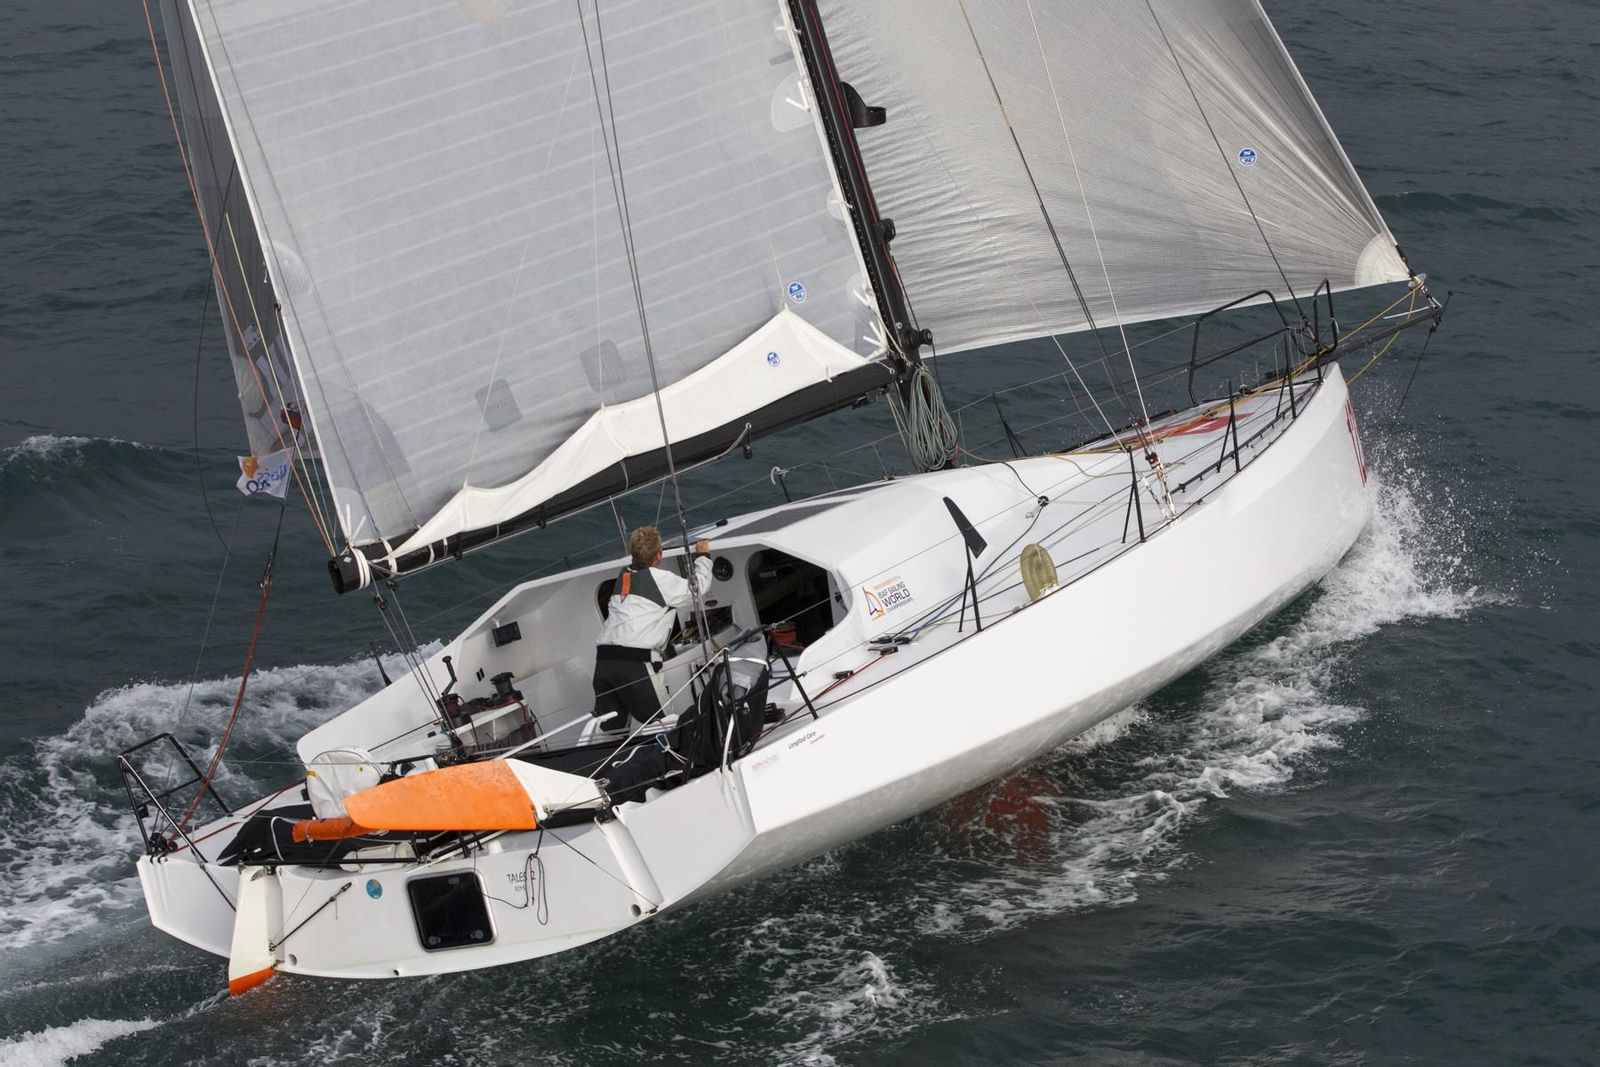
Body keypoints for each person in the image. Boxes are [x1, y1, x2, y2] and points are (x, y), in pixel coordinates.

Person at [592, 526, 713, 731]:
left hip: (604, 663)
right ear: (659, 555)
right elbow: (698, 588)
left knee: (612, 729)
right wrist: (703, 556)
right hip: (633, 664)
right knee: (665, 726)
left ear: (633, 554)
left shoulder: (624, 575)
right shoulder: (660, 579)